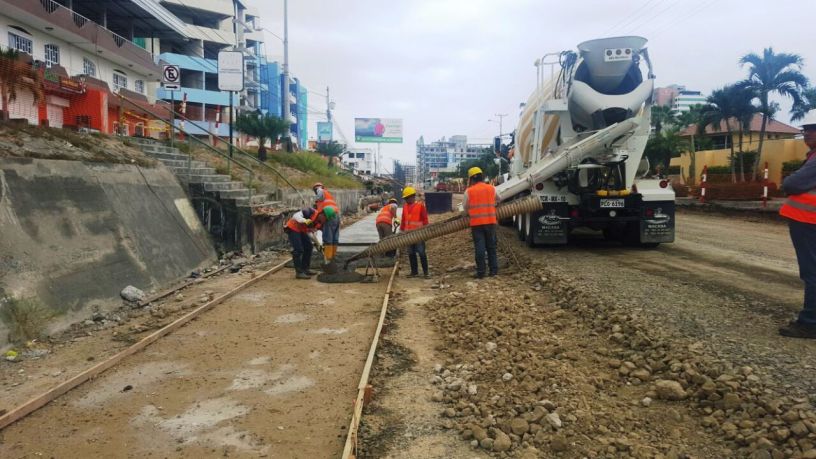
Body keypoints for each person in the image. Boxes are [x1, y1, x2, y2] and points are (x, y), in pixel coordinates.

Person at [779, 110, 816, 338]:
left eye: (813, 129)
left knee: (812, 272)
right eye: (805, 129)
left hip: (808, 221)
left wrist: (789, 181)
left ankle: (810, 322)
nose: (807, 133)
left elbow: (792, 183)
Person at [464, 166, 501, 279]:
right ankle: (493, 271)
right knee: (491, 247)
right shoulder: (491, 188)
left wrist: (466, 214)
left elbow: (465, 208)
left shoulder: (468, 191)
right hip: (490, 222)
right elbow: (499, 199)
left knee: (480, 248)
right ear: (482, 176)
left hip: (477, 224)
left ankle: (481, 272)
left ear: (471, 179)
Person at [400, 186, 430, 278]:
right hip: (408, 234)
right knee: (411, 253)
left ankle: (426, 272)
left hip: (419, 234)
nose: (405, 200)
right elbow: (403, 219)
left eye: (406, 198)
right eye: (405, 198)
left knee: (421, 252)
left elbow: (425, 219)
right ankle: (414, 272)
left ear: (412, 197)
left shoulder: (420, 206)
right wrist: (401, 230)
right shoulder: (405, 207)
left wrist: (425, 232)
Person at [284, 207, 317, 279]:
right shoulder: (309, 211)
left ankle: (305, 269)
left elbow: (311, 233)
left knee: (309, 247)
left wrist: (318, 243)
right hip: (293, 228)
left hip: (301, 230)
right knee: (298, 249)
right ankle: (299, 272)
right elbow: (296, 216)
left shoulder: (319, 222)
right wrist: (305, 220)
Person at [313, 182, 341, 265]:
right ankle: (333, 257)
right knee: (334, 238)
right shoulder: (328, 195)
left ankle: (328, 260)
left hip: (328, 215)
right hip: (336, 215)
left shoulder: (320, 190)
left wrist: (315, 201)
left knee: (328, 239)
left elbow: (319, 194)